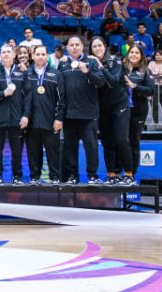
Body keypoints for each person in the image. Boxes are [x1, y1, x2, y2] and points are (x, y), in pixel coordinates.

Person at [57, 36, 105, 185]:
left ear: (82, 46)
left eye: (77, 44)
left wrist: (87, 72)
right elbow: (60, 91)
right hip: (70, 114)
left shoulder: (91, 62)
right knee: (70, 147)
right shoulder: (63, 64)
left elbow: (101, 82)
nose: (75, 47)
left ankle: (92, 175)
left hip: (88, 114)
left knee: (91, 146)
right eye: (72, 45)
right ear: (68, 48)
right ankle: (72, 176)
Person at [89, 37, 134, 185]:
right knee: (107, 142)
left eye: (99, 45)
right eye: (94, 46)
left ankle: (128, 174)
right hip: (103, 108)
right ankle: (112, 174)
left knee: (121, 140)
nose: (97, 48)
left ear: (105, 46)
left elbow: (113, 81)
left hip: (120, 105)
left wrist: (100, 66)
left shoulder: (115, 61)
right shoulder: (90, 64)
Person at [0, 44, 29, 185]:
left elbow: (28, 96)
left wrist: (26, 115)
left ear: (14, 54)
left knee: (17, 150)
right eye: (3, 52)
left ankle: (17, 177)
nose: (6, 54)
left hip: (17, 118)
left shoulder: (22, 73)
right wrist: (3, 93)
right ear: (0, 55)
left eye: (9, 52)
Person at [25, 45, 62, 185]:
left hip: (51, 120)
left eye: (43, 54)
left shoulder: (56, 74)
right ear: (33, 56)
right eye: (38, 54)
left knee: (53, 152)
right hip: (32, 121)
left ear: (47, 56)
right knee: (33, 152)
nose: (40, 56)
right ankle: (34, 177)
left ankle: (55, 178)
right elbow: (23, 99)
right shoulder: (27, 74)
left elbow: (62, 99)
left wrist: (59, 118)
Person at [124, 45, 154, 176]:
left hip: (138, 112)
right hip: (122, 111)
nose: (134, 55)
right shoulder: (122, 69)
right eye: (132, 52)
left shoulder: (145, 71)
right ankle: (120, 171)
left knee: (134, 141)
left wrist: (134, 86)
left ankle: (131, 173)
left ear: (141, 56)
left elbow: (151, 90)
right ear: (128, 54)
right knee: (121, 141)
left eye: (137, 53)